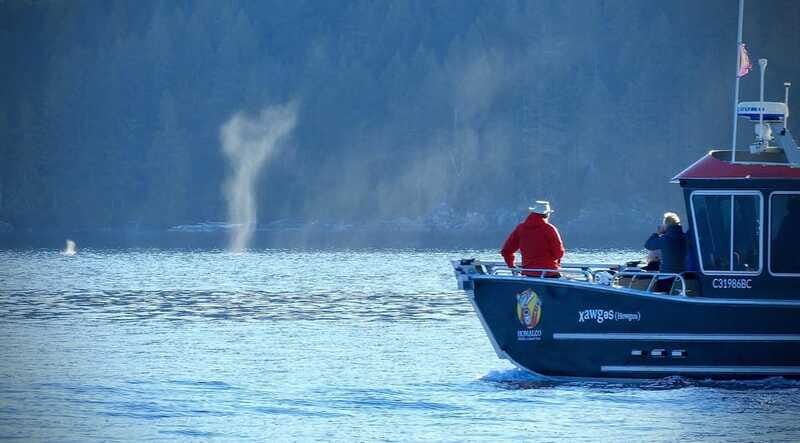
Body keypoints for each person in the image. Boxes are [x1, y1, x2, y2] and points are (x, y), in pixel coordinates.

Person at [501, 200, 565, 277]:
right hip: (549, 273)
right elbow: (559, 253)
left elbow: (506, 251)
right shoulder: (549, 229)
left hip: (528, 273)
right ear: (546, 214)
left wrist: (511, 266)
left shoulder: (521, 228)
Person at [645, 212, 687, 292]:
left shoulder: (665, 239)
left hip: (667, 276)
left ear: (666, 225)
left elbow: (648, 245)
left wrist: (657, 233)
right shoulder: (684, 237)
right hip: (682, 275)